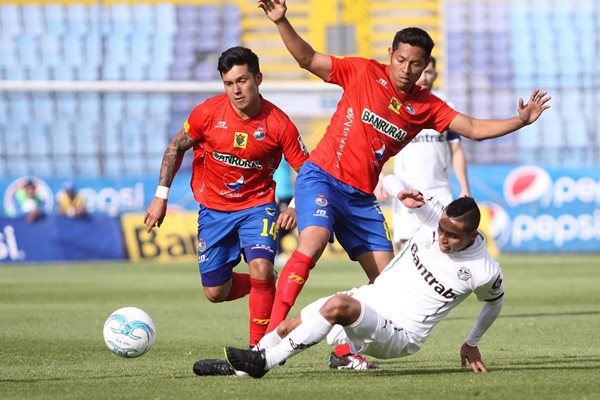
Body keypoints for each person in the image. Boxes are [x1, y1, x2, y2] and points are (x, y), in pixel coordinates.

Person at [254, 0, 549, 369]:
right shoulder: (361, 72)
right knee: (311, 243)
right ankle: (262, 345)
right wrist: (282, 21)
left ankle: (346, 353)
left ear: (426, 66)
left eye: (416, 64)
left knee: (387, 286)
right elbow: (308, 58)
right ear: (389, 54)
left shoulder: (426, 106)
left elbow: (473, 129)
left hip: (361, 197)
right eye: (401, 60)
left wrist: (518, 121)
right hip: (323, 177)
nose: (407, 70)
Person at [219, 182, 504, 378]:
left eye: (453, 236)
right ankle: (240, 368)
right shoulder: (433, 216)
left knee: (338, 305)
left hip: (400, 334)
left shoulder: (484, 270)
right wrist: (400, 192)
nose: (443, 237)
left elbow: (493, 304)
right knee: (288, 326)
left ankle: (264, 363)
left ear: (472, 235)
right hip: (373, 300)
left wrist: (472, 341)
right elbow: (392, 181)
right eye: (442, 229)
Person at [143, 46, 309, 352]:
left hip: (257, 207)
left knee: (260, 267)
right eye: (229, 83)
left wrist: (298, 206)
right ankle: (266, 283)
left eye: (242, 80)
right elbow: (175, 147)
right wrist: (160, 196)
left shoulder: (279, 123)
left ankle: (259, 350)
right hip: (213, 209)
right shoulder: (207, 113)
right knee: (215, 291)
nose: (236, 89)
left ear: (258, 78)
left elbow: (308, 171)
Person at [379, 56, 470, 251]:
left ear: (435, 75)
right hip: (407, 189)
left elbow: (456, 149)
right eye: (422, 72)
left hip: (439, 191)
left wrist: (464, 188)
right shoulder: (397, 106)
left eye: (430, 72)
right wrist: (379, 179)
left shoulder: (446, 108)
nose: (425, 77)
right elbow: (377, 143)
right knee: (407, 252)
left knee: (444, 251)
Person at [272, 159, 295, 266]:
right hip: (279, 193)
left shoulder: (286, 154)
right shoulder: (274, 152)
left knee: (289, 224)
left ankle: (279, 252)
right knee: (280, 224)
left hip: (289, 192)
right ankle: (277, 253)